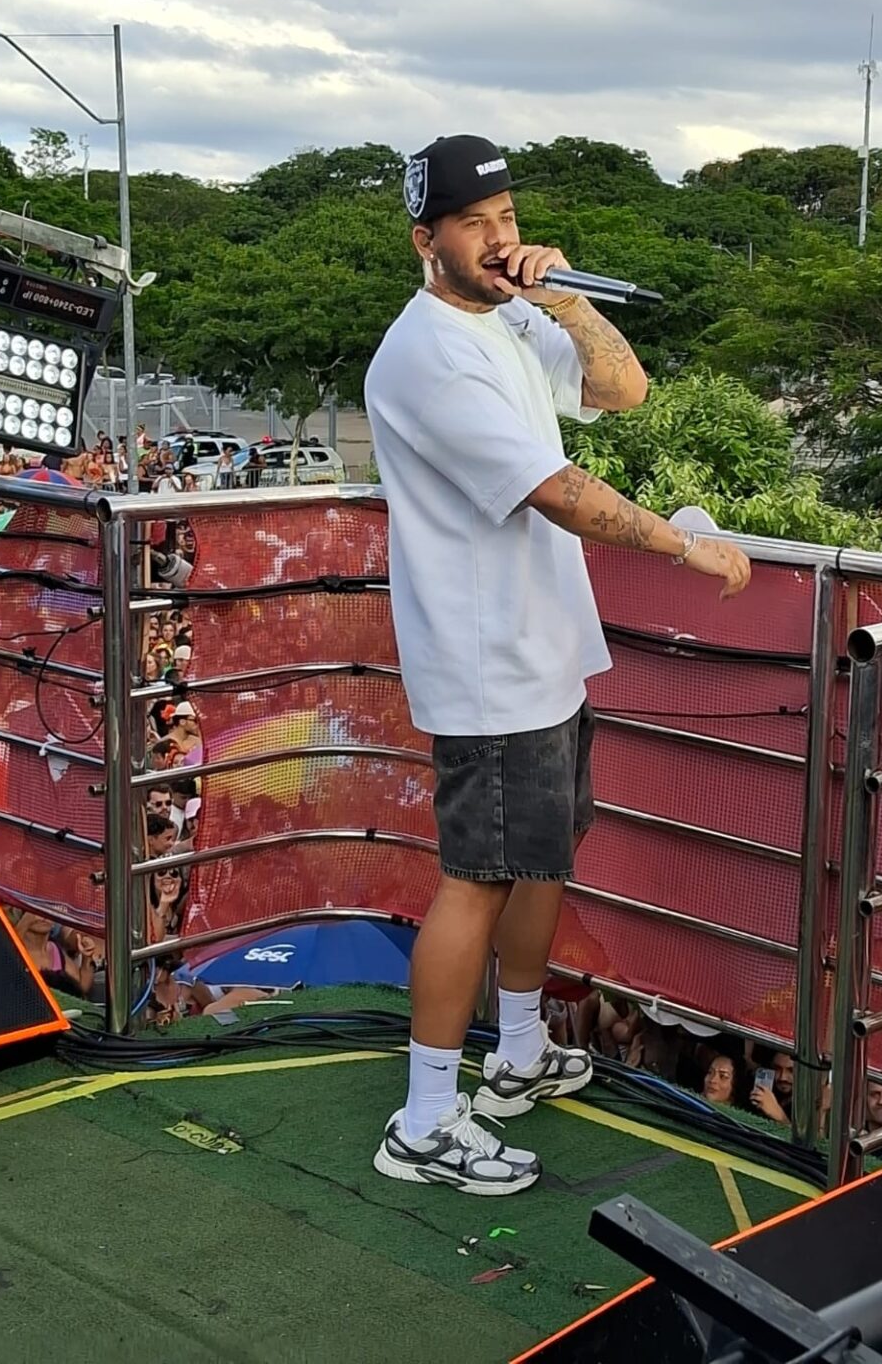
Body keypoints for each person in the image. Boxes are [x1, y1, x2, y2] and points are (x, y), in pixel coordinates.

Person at [364, 133, 752, 1195]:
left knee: (541, 858)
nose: (500, 240)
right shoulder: (424, 355)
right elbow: (556, 489)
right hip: (485, 660)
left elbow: (622, 389)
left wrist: (564, 296)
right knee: (478, 880)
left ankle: (521, 1050)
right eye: (474, 226)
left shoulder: (514, 314)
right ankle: (425, 1120)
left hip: (544, 647)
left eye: (508, 219)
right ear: (426, 240)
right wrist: (684, 548)